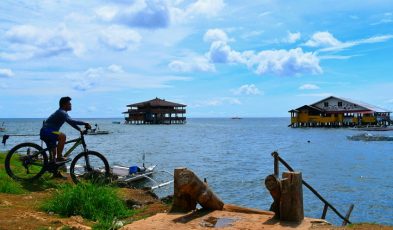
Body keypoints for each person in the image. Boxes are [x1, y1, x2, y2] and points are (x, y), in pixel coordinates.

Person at [40, 96, 91, 167]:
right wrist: (85, 123)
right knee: (63, 136)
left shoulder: (62, 113)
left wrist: (80, 129)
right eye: (69, 104)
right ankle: (60, 157)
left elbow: (71, 122)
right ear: (64, 105)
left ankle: (54, 171)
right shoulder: (62, 112)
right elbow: (71, 121)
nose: (71, 105)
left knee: (53, 156)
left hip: (48, 132)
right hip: (48, 131)